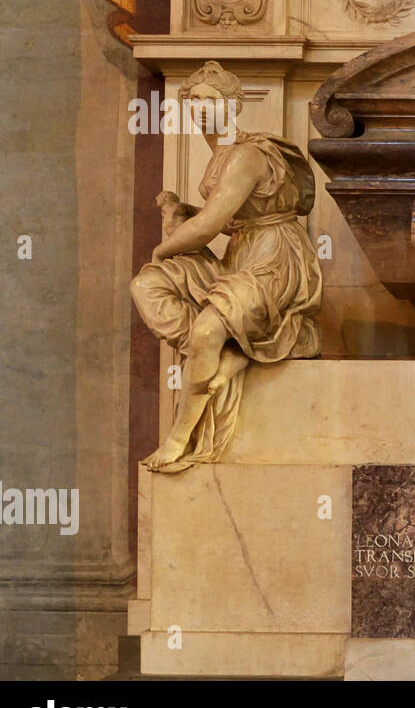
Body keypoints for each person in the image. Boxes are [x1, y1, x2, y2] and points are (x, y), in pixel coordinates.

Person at [130, 61, 322, 473]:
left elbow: (211, 226)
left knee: (203, 323)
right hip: (242, 253)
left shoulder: (248, 154)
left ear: (233, 106)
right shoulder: (221, 155)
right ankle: (228, 350)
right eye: (194, 102)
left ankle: (180, 435)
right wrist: (183, 213)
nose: (200, 109)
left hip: (275, 259)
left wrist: (166, 247)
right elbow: (228, 217)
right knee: (147, 285)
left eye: (210, 101)